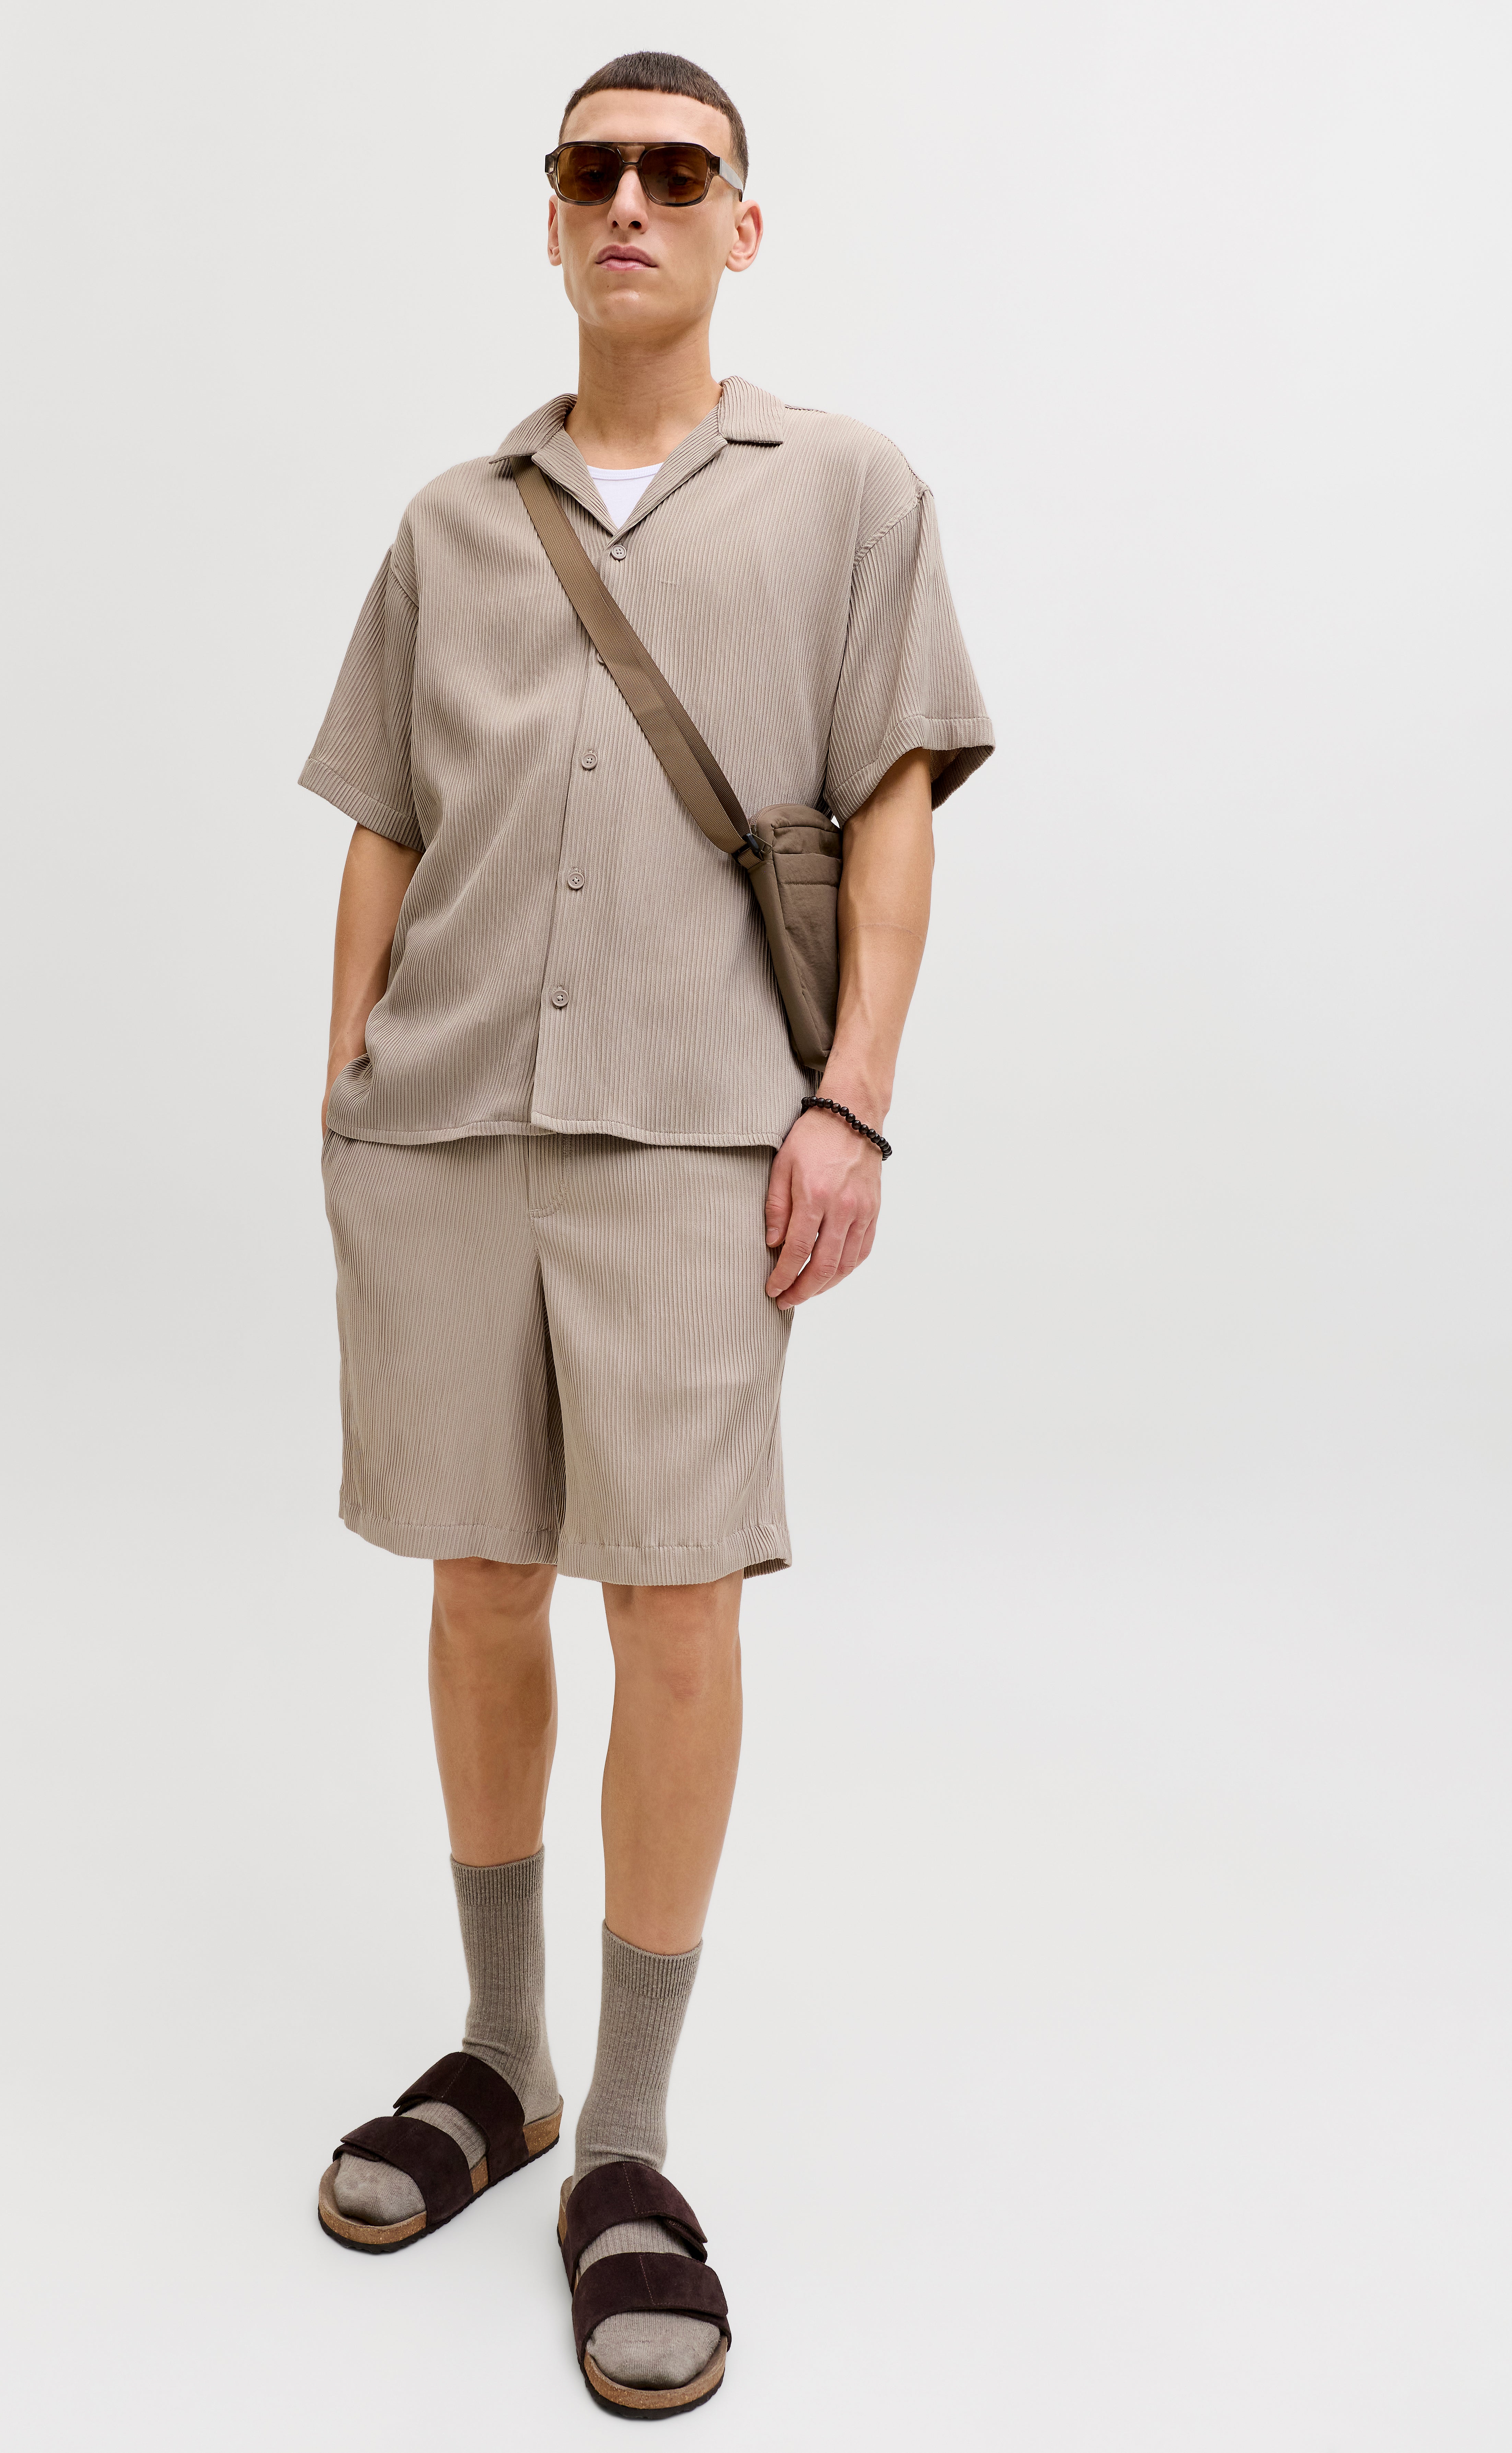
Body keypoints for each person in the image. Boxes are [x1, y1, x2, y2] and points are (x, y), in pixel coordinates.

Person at [300, 49, 993, 2418]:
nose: (630, 200)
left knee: (675, 1606)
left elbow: (892, 809)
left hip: (698, 1136)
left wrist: (853, 1103)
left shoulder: (851, 495)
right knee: (479, 1581)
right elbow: (384, 819)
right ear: (551, 213)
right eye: (592, 168)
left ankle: (627, 2138)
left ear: (738, 224)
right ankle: (499, 2058)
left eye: (675, 171)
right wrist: (345, 1092)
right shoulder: (450, 521)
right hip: (443, 1129)